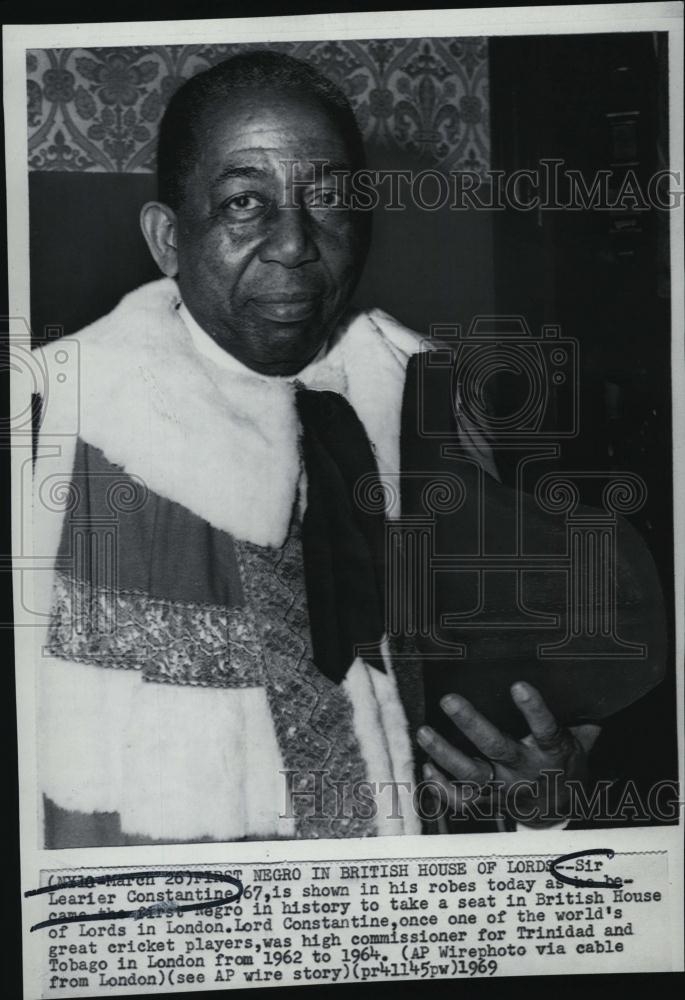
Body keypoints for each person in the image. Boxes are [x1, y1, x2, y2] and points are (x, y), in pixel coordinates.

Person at [32, 51, 663, 847]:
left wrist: (541, 803)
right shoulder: (58, 435)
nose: (295, 242)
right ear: (167, 238)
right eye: (243, 203)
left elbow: (478, 740)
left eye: (327, 199)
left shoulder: (420, 406)